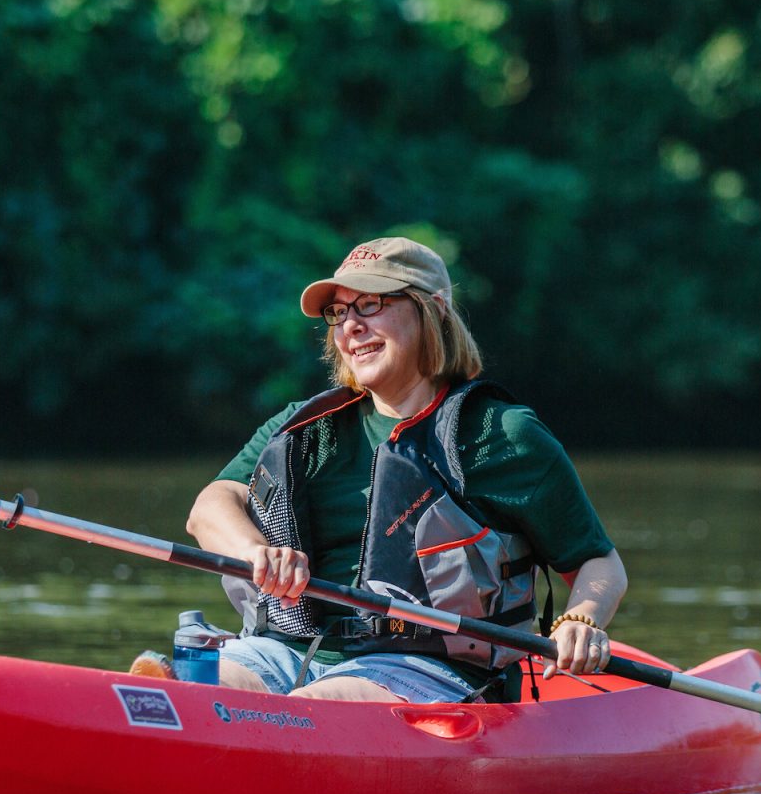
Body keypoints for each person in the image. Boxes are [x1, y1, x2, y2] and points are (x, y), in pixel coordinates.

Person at [183, 236, 626, 703]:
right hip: (282, 650)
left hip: (428, 668)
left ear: (431, 310)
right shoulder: (301, 428)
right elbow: (211, 506)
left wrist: (582, 619)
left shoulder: (504, 433)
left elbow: (598, 562)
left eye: (370, 304)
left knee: (320, 707)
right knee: (180, 684)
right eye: (339, 312)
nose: (350, 325)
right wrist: (256, 551)